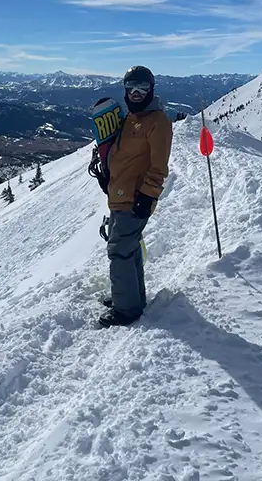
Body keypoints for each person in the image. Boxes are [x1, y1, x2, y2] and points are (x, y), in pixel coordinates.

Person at [98, 65, 173, 328]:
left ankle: (126, 310)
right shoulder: (130, 118)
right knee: (128, 250)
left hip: (135, 198)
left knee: (119, 250)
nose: (137, 93)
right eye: (132, 88)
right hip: (119, 194)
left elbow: (159, 166)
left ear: (151, 89)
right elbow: (123, 157)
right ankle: (130, 297)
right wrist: (107, 177)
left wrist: (147, 195)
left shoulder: (158, 122)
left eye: (142, 87)